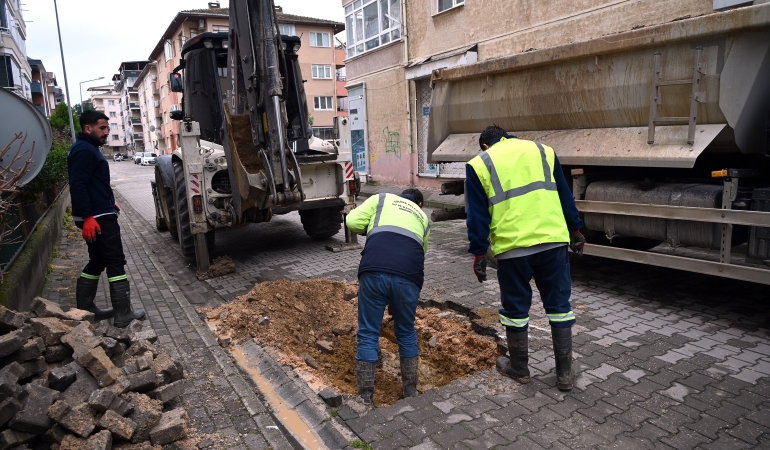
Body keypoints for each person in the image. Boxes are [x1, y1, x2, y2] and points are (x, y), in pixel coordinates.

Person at [466, 125, 585, 391]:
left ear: (485, 145)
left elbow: (477, 215)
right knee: (559, 305)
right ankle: (564, 375)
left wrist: (478, 253)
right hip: (553, 241)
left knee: (516, 310)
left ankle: (520, 368)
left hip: (512, 248)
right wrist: (575, 229)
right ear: (508, 136)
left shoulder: (479, 163)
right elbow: (565, 194)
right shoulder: (543, 151)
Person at [345, 189, 430, 405]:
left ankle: (365, 398)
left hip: (374, 270)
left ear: (400, 196)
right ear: (418, 203)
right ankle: (410, 392)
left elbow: (352, 222)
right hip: (409, 277)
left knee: (368, 334)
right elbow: (421, 250)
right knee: (406, 333)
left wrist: (372, 228)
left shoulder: (381, 199)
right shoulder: (423, 218)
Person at [68, 110, 146, 328]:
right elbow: (78, 185)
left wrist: (109, 201)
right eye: (102, 128)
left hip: (100, 212)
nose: (106, 132)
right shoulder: (84, 150)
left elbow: (94, 183)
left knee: (98, 260)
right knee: (115, 261)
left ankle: (86, 308)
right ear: (88, 128)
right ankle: (123, 314)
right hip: (98, 219)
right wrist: (88, 217)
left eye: (107, 128)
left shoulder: (87, 148)